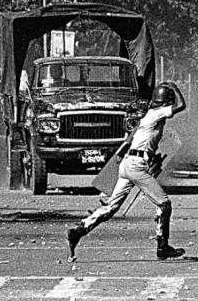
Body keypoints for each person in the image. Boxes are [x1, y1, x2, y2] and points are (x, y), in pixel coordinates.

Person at [65, 82, 187, 261]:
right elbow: (181, 106)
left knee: (110, 207)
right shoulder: (157, 114)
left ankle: (79, 230)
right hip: (136, 166)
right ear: (164, 103)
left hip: (128, 164)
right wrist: (175, 87)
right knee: (164, 204)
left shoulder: (147, 117)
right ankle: (163, 247)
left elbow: (131, 143)